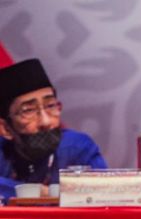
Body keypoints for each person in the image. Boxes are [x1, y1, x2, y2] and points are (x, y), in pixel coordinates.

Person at [0, 58, 107, 201]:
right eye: (28, 110)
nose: (46, 122)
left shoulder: (78, 148)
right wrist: (34, 192)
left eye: (50, 106)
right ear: (5, 128)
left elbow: (103, 195)